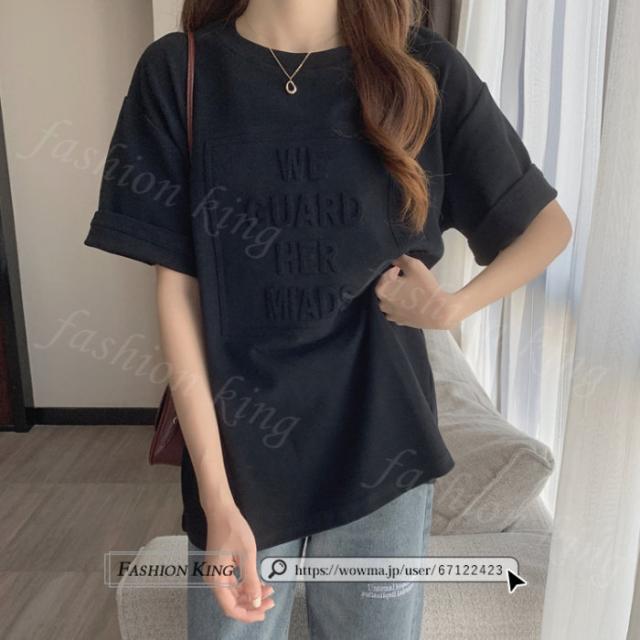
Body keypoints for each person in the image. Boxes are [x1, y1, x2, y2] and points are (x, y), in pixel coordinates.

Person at [84, 0, 572, 637]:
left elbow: (546, 227)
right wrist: (216, 496)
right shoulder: (180, 71)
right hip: (243, 452)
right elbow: (180, 297)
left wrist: (451, 307)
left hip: (384, 445)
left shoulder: (422, 69)